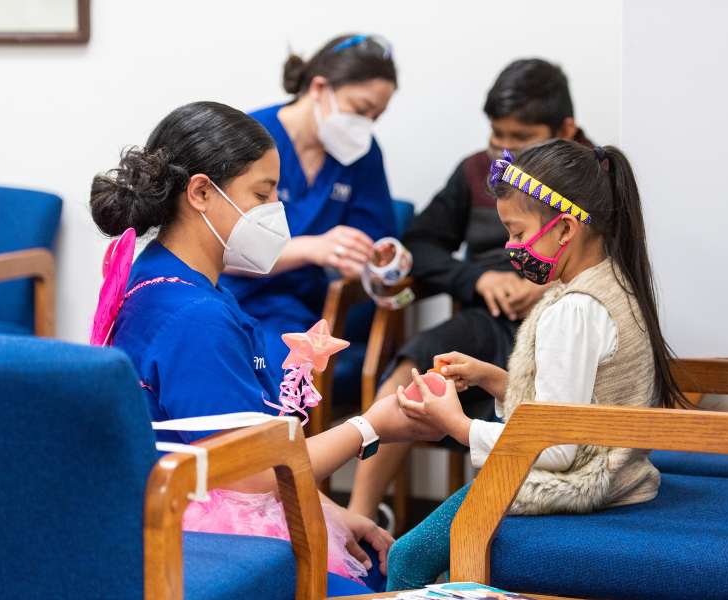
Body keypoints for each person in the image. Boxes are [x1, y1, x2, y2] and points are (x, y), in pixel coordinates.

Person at [88, 101, 443, 593]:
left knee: (375, 563)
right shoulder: (197, 318)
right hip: (205, 540)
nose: (277, 210)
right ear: (200, 192)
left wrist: (331, 510)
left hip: (175, 511)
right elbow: (252, 473)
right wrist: (370, 425)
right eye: (263, 192)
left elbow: (217, 449)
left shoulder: (154, 277)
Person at [384, 138, 689, 590]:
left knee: (406, 556)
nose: (510, 247)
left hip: (581, 485)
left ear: (566, 230)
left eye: (519, 232)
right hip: (620, 475)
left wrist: (457, 424)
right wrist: (495, 380)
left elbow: (555, 449)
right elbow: (576, 405)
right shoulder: (614, 283)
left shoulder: (573, 310)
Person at [348, 58, 594, 522]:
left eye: (520, 138)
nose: (504, 150)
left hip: (565, 322)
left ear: (565, 128)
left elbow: (614, 266)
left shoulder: (594, 176)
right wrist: (477, 278)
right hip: (488, 319)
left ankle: (497, 530)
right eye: (496, 135)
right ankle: (360, 520)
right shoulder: (477, 172)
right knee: (413, 372)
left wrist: (548, 289)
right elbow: (422, 242)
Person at [220, 34, 399, 375]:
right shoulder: (250, 137)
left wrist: (373, 260)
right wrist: (309, 249)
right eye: (360, 110)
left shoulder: (362, 156)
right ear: (319, 87)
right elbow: (217, 241)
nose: (364, 126)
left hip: (295, 311)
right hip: (227, 295)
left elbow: (376, 240)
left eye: (374, 117)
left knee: (275, 369)